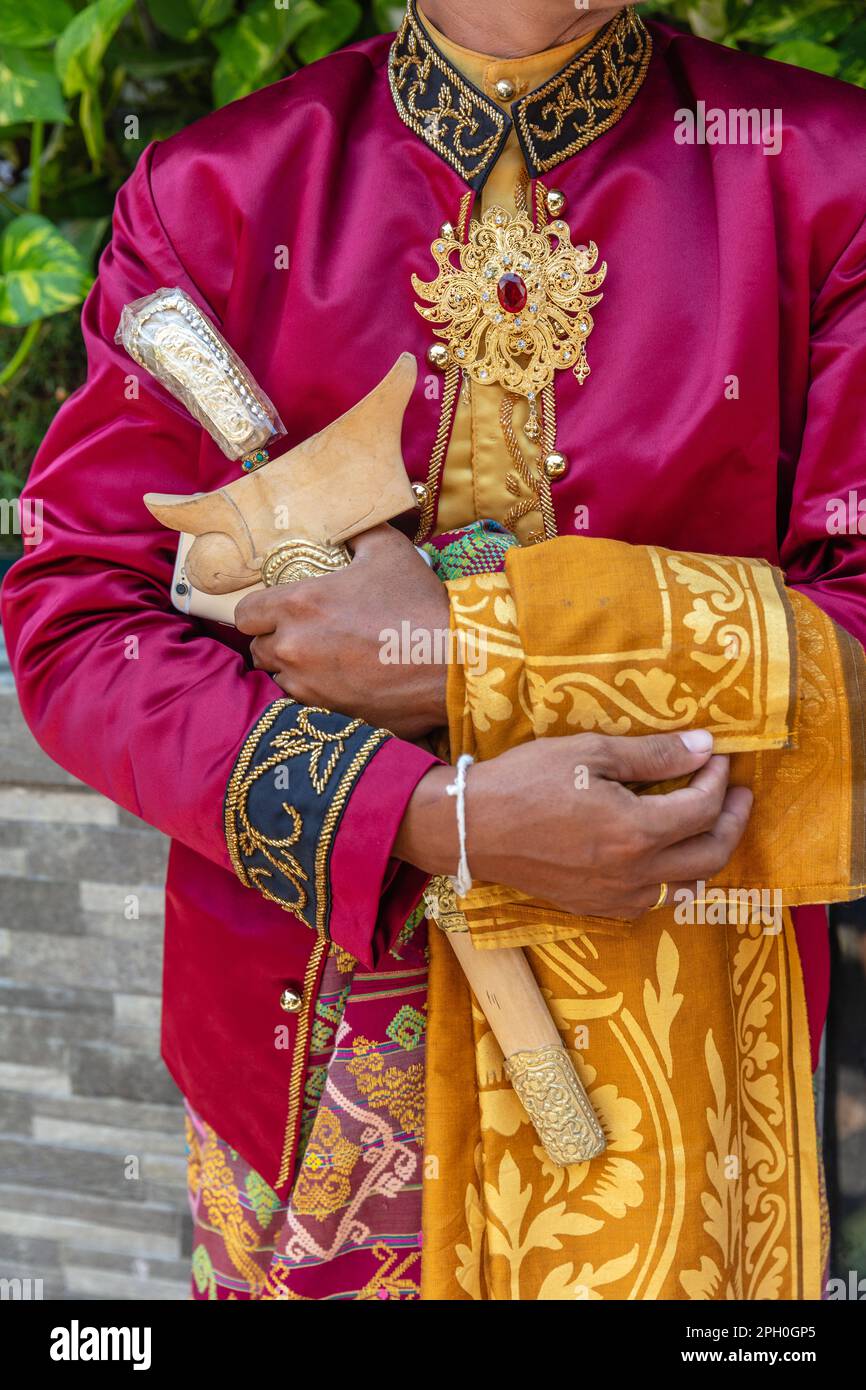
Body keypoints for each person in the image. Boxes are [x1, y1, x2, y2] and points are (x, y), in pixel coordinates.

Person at [3, 1, 866, 1299]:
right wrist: (419, 812)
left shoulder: (821, 178)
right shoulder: (218, 192)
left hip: (682, 1031)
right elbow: (81, 619)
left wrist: (466, 644)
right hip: (315, 1083)